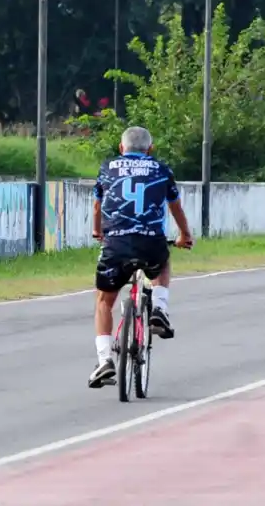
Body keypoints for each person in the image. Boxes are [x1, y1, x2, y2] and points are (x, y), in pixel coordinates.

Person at [88, 126, 193, 388]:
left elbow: (98, 205)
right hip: (150, 242)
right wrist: (185, 235)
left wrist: (97, 231)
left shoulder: (108, 167)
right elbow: (175, 206)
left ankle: (104, 361)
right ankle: (159, 308)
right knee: (163, 262)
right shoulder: (161, 169)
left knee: (104, 301)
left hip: (117, 243)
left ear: (121, 148)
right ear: (150, 148)